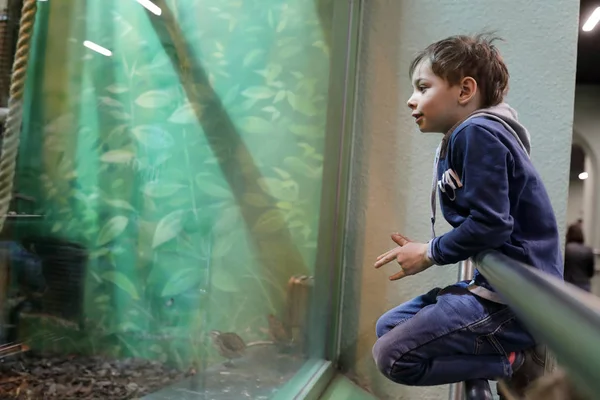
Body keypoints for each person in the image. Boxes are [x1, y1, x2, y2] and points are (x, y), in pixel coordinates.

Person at [371, 34, 563, 398]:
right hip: (494, 288)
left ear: (465, 91)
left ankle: (511, 361)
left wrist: (428, 252)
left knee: (392, 357)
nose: (411, 100)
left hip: (512, 302)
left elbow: (491, 224)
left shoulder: (477, 133)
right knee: (389, 327)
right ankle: (498, 355)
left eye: (423, 87)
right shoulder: (472, 134)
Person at [564, 222, 595, 292]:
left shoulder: (566, 249)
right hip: (585, 287)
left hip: (569, 285)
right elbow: (591, 273)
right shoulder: (588, 250)